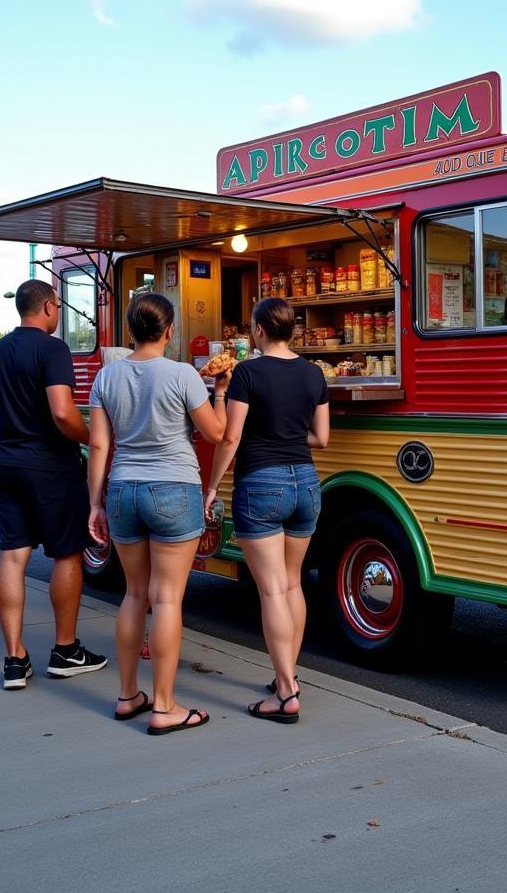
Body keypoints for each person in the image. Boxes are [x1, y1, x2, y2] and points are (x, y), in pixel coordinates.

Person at [87, 294, 230, 735]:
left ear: (131, 329)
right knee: (167, 599)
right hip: (174, 488)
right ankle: (165, 706)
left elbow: (98, 446)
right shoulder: (184, 374)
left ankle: (129, 695)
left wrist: (95, 502)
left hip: (124, 490)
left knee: (134, 595)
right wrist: (220, 392)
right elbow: (216, 432)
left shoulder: (106, 377)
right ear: (169, 331)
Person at [0, 279, 107, 689]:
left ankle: (14, 659)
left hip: (8, 464)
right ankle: (66, 649)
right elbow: (63, 411)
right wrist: (91, 439)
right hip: (50, 466)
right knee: (67, 555)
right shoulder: (53, 349)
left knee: (13, 556)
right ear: (49, 307)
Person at [204, 297, 330, 724]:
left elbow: (230, 438)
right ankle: (286, 677)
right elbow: (322, 437)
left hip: (262, 483)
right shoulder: (314, 372)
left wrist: (212, 485)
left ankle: (287, 694)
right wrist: (289, 434)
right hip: (306, 485)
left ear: (258, 331)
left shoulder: (247, 373)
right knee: (292, 586)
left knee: (272, 591)